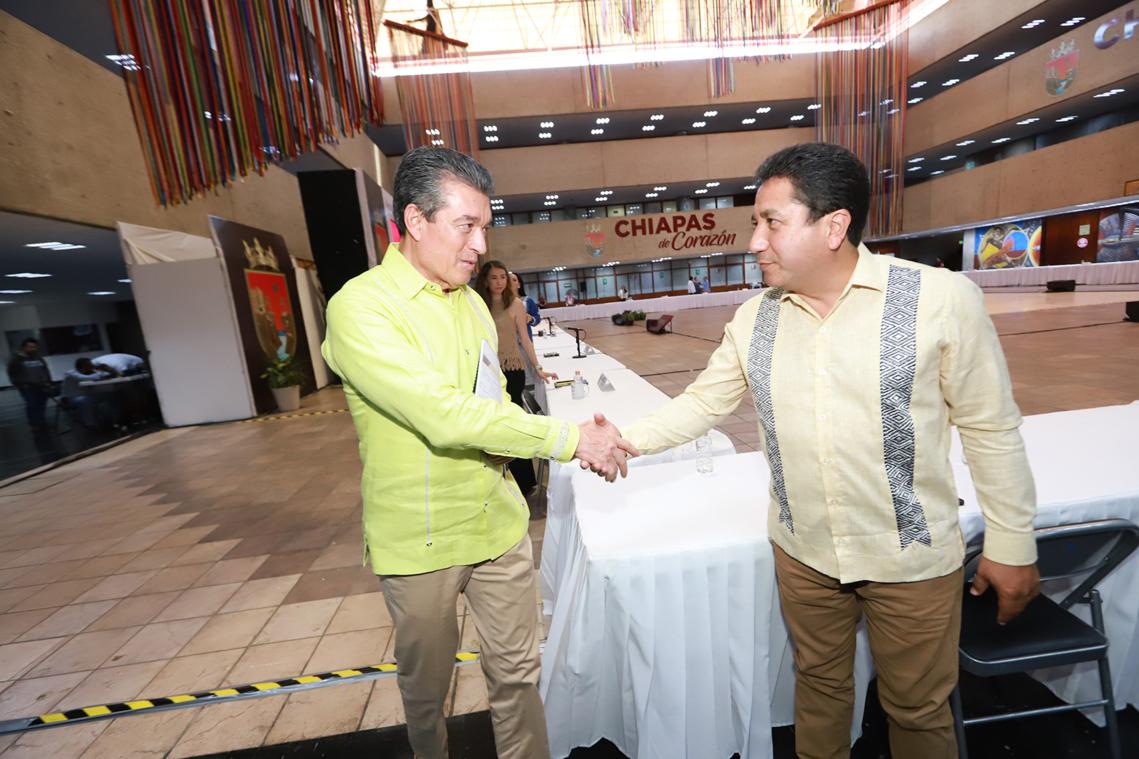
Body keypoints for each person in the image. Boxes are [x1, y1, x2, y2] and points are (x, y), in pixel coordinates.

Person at [616, 142, 1039, 759]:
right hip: (804, 553)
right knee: (817, 688)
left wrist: (1012, 542)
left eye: (771, 222)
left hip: (910, 559)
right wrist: (621, 440)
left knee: (918, 711)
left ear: (834, 226)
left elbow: (990, 427)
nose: (755, 242)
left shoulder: (940, 300)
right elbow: (701, 405)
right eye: (756, 223)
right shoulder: (754, 319)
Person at [321, 146, 637, 759]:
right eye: (466, 225)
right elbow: (443, 416)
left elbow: (492, 402)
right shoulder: (360, 307)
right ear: (415, 221)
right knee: (427, 692)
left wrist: (549, 437)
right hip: (421, 539)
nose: (480, 245)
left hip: (498, 525)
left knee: (518, 677)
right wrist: (570, 439)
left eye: (485, 227)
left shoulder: (469, 302)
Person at [477, 260, 557, 501]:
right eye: (494, 277)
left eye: (503, 277)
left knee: (513, 421)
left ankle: (525, 481)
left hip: (512, 370)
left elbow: (525, 338)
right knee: (492, 424)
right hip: (488, 372)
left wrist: (538, 368)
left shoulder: (516, 305)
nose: (499, 282)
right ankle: (499, 478)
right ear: (485, 280)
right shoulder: (478, 305)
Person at [7, 338, 52, 430]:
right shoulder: (16, 360)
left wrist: (48, 382)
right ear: (24, 347)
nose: (33, 349)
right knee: (32, 405)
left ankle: (41, 421)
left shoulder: (38, 358)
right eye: (31, 347)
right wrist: (20, 384)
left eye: (35, 347)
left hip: (42, 385)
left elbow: (45, 370)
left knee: (41, 404)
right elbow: (12, 373)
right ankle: (34, 424)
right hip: (27, 387)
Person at [61, 357, 114, 426]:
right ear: (83, 366)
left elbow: (105, 375)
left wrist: (107, 371)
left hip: (87, 395)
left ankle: (113, 419)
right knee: (86, 400)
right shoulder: (71, 373)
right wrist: (101, 372)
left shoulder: (88, 372)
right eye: (89, 365)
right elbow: (86, 378)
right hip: (72, 398)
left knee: (111, 395)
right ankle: (90, 424)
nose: (92, 367)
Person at [509, 271, 541, 341]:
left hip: (525, 339)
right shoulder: (500, 303)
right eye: (508, 280)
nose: (511, 282)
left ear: (519, 285)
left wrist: (531, 319)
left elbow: (537, 318)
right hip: (508, 340)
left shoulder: (527, 301)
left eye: (514, 280)